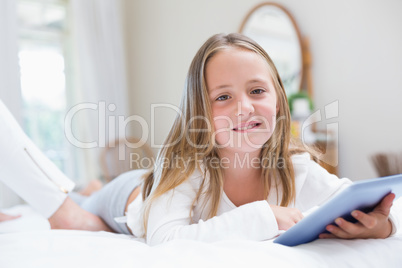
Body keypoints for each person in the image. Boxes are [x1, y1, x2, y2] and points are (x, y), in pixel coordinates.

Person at [0, 33, 398, 245]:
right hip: (132, 197)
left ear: (278, 102)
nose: (244, 107)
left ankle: (90, 186)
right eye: (223, 97)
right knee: (86, 212)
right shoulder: (188, 168)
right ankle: (91, 190)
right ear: (201, 116)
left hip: (151, 188)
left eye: (257, 91)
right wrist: (261, 216)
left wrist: (380, 227)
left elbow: (350, 198)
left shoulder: (294, 166)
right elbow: (165, 239)